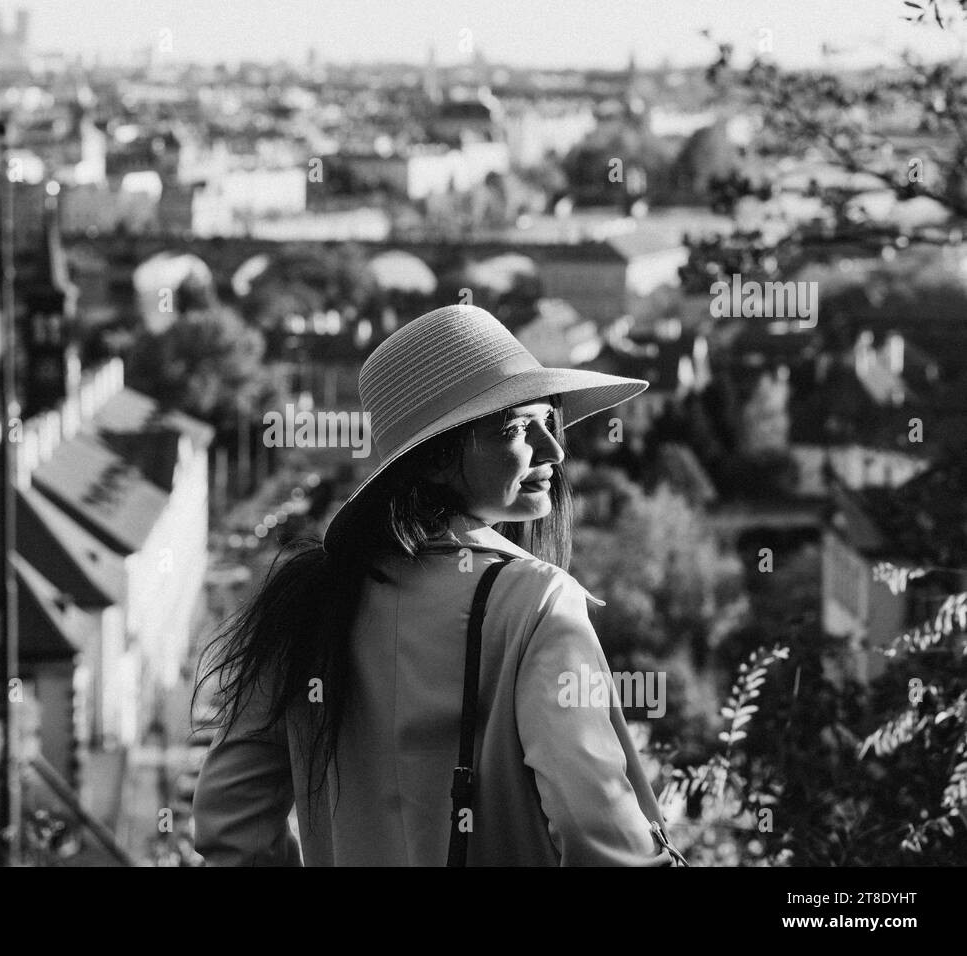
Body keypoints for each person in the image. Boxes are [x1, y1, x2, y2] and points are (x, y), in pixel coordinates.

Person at [191, 304, 677, 866]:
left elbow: (230, 823)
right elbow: (598, 831)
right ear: (433, 461)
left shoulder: (305, 599)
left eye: (551, 420)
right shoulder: (539, 606)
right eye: (518, 428)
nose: (555, 450)